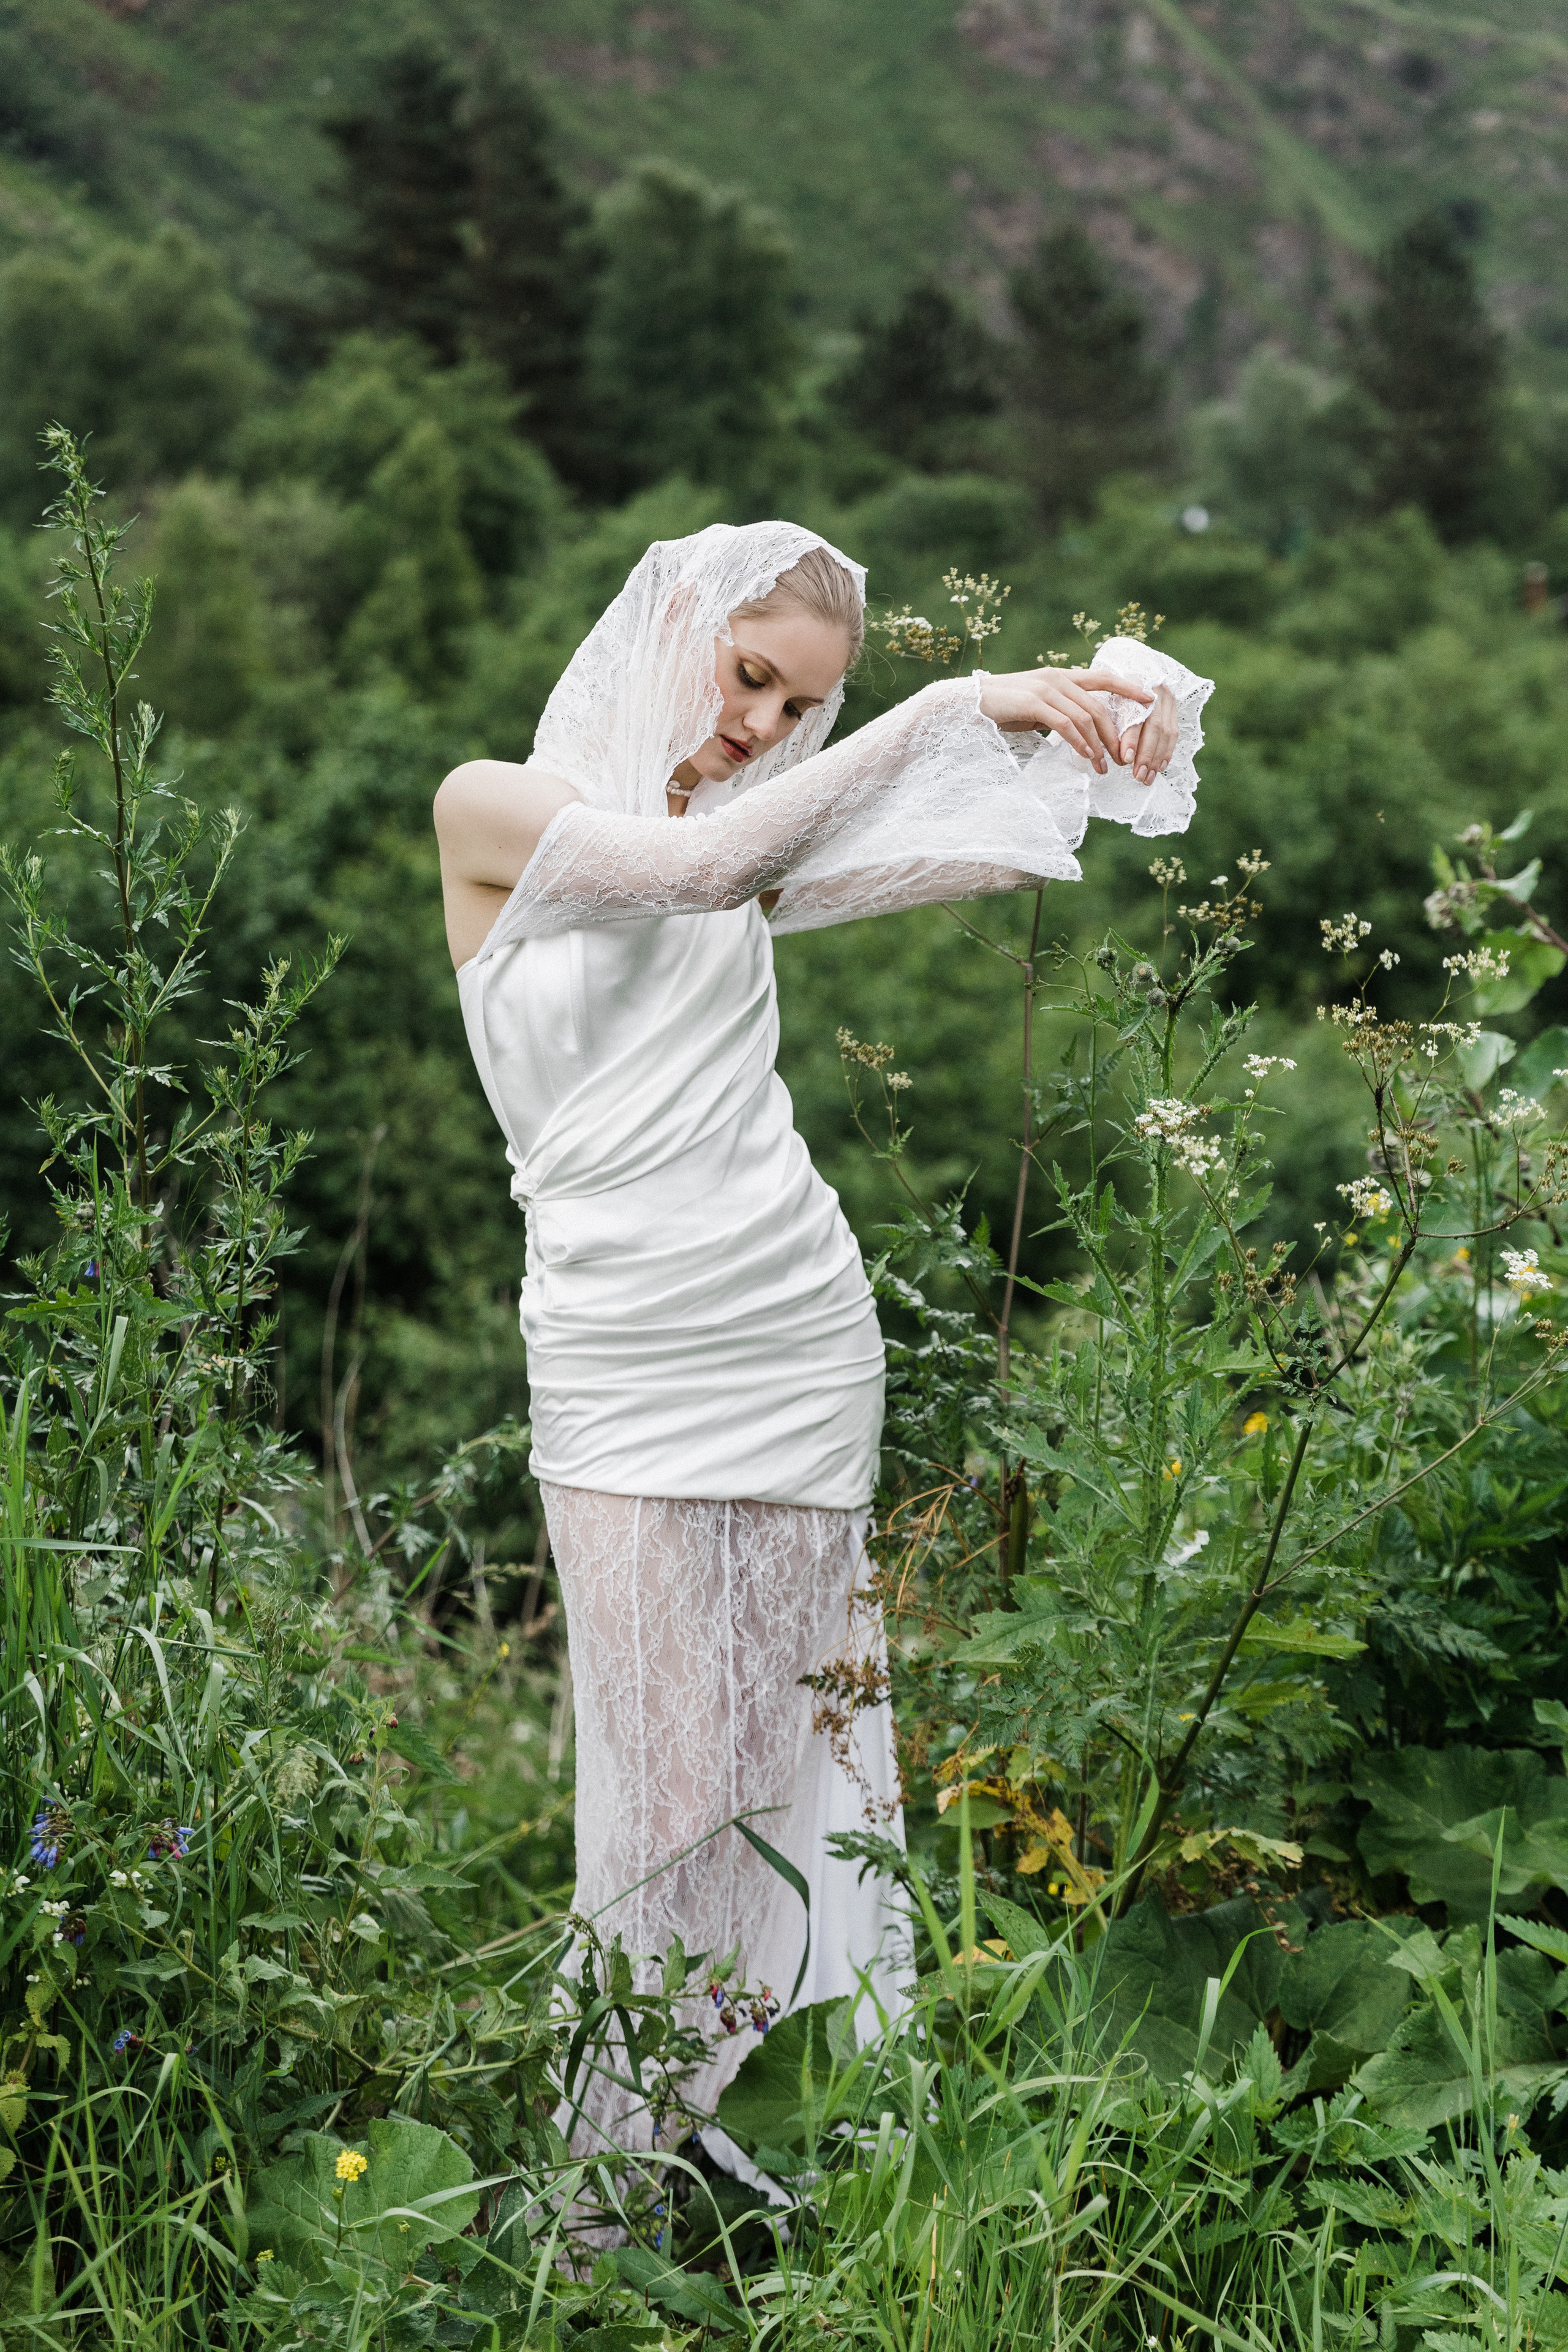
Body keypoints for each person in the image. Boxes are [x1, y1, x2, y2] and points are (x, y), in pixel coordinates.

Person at [433, 521, 1212, 2162]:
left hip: (791, 1329)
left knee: (787, 1754)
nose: (766, 725)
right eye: (755, 679)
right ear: (680, 631)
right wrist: (951, 706)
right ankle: (613, 2187)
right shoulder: (497, 809)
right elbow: (702, 872)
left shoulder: (744, 828)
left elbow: (957, 860)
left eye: (802, 708)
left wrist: (1099, 743)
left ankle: (769, 2148)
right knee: (668, 1789)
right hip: (623, 1356)